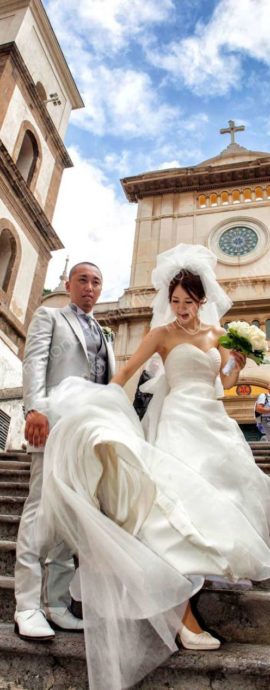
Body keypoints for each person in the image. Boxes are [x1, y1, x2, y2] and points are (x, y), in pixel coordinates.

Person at [36, 244, 270, 690]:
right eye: (175, 302)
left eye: (188, 303)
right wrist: (95, 406)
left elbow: (225, 383)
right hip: (178, 422)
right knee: (173, 506)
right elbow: (125, 374)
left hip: (214, 423)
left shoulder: (216, 336)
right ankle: (182, 616)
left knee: (220, 502)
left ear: (202, 301)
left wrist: (237, 365)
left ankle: (180, 604)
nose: (181, 310)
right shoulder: (161, 334)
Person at [14, 262, 115, 641]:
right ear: (70, 285)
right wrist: (34, 408)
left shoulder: (105, 333)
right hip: (51, 424)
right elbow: (35, 361)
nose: (90, 287)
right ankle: (26, 605)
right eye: (83, 280)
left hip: (86, 434)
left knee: (68, 514)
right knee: (39, 510)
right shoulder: (49, 315)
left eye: (97, 281)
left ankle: (56, 603)